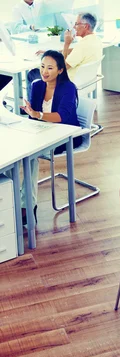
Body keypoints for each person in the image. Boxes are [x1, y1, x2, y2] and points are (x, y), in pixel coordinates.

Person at [6, 50, 80, 222]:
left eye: (50, 68)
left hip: (65, 134)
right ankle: (11, 198)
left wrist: (37, 114)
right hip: (41, 130)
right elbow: (33, 115)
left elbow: (62, 116)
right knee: (13, 152)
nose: (44, 72)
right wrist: (32, 114)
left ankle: (27, 206)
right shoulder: (37, 85)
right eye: (42, 67)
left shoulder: (68, 88)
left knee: (30, 157)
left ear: (60, 70)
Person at [27, 13, 103, 99]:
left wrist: (67, 44)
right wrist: (50, 52)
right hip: (87, 82)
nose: (74, 27)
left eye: (76, 24)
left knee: (32, 73)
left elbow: (61, 68)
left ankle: (33, 108)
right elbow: (74, 51)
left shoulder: (82, 45)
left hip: (67, 82)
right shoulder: (96, 40)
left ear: (86, 26)